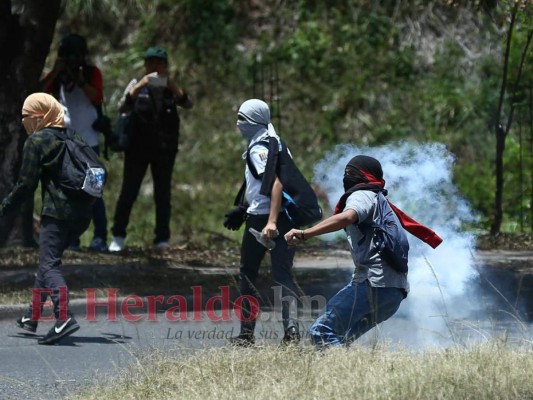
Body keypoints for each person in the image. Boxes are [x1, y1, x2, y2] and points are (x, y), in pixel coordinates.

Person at [285, 155, 443, 347]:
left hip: (373, 284)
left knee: (321, 331)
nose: (346, 177)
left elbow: (347, 217)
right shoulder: (381, 201)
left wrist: (305, 234)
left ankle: (343, 371)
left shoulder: (362, 194)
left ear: (365, 176)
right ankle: (351, 376)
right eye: (345, 172)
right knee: (342, 340)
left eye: (351, 173)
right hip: (395, 291)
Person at [1, 93, 93, 345]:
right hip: (83, 214)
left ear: (40, 116)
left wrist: (4, 207)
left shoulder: (37, 141)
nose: (24, 122)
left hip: (57, 214)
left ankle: (63, 318)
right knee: (47, 261)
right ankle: (32, 317)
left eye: (27, 116)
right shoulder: (73, 136)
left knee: (50, 265)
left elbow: (25, 184)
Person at [224, 99, 301, 346]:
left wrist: (270, 221)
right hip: (285, 218)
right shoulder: (278, 144)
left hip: (264, 221)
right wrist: (244, 208)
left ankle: (246, 334)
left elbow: (276, 183)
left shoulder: (259, 149)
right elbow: (265, 184)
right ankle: (292, 332)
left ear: (254, 120)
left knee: (248, 274)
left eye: (242, 118)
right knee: (283, 276)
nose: (239, 123)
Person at [108, 47, 193, 251]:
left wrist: (172, 86)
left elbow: (188, 103)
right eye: (151, 63)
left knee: (163, 194)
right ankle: (118, 236)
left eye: (159, 63)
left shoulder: (171, 91)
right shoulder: (137, 87)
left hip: (164, 150)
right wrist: (140, 86)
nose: (155, 67)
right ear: (145, 66)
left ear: (165, 66)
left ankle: (162, 238)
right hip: (137, 149)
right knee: (129, 191)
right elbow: (123, 108)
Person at [41, 33, 108, 252]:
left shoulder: (91, 73)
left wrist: (81, 81)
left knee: (94, 191)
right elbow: (39, 95)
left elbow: (97, 97)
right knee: (68, 191)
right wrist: (56, 73)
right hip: (66, 141)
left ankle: (100, 237)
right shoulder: (59, 76)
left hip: (89, 141)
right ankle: (72, 239)